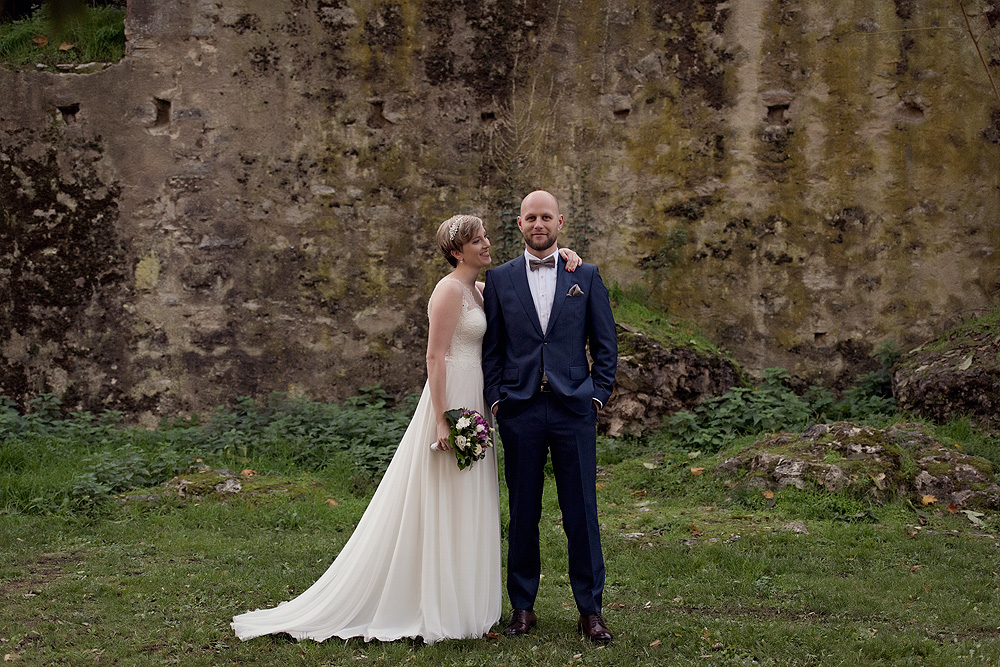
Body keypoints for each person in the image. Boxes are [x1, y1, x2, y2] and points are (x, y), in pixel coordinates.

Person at [231, 214, 581, 644]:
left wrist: (566, 255)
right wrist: (441, 418)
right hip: (450, 398)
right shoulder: (448, 290)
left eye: (486, 236)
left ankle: (466, 601)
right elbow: (435, 357)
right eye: (478, 240)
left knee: (471, 496)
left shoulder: (483, 290)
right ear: (457, 251)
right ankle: (433, 603)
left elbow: (526, 294)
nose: (487, 244)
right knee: (445, 496)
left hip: (477, 398)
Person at [482, 190, 618, 643]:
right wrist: (498, 400)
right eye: (530, 217)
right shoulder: (499, 280)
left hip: (573, 409)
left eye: (546, 217)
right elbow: (492, 348)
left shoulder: (587, 276)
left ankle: (590, 611)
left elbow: (605, 346)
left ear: (560, 222)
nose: (538, 224)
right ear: (518, 224)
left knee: (581, 509)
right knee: (523, 512)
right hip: (520, 411)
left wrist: (596, 397)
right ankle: (522, 607)